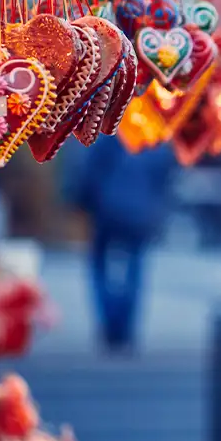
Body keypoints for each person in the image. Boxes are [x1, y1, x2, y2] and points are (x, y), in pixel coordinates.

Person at [76, 135, 176, 352]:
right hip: (141, 212)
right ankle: (125, 326)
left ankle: (110, 321)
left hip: (107, 209)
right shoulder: (154, 135)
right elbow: (166, 173)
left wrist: (83, 201)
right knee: (134, 267)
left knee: (99, 265)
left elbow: (90, 170)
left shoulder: (108, 134)